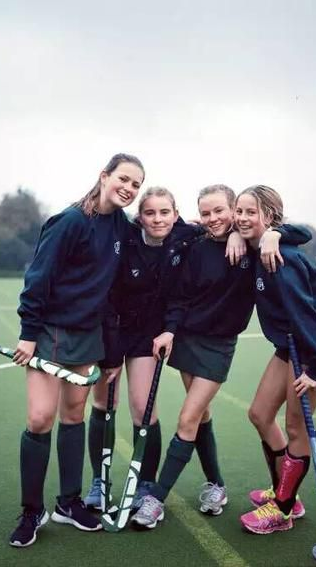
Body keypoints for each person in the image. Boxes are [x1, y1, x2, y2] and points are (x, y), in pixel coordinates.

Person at [131, 184, 312, 530]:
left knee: (187, 418)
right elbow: (180, 297)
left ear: (233, 210)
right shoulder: (195, 244)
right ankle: (218, 485)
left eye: (219, 211)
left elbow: (300, 232)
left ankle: (155, 499)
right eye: (206, 212)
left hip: (218, 346)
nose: (212, 218)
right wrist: (170, 330)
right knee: (201, 414)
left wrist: (273, 234)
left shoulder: (252, 244)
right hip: (187, 340)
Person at [9, 153, 145, 547]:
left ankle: (68, 503)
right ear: (104, 176)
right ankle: (31, 511)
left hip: (89, 334)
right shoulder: (69, 221)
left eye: (136, 185)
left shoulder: (121, 226)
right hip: (50, 332)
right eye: (124, 179)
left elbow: (165, 234)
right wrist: (28, 333)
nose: (129, 189)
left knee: (73, 415)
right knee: (40, 418)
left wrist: (111, 353)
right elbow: (38, 277)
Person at [85, 186, 243, 511]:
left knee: (142, 407)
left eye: (164, 212)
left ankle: (146, 483)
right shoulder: (126, 237)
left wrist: (239, 234)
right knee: (103, 402)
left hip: (148, 335)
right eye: (150, 213)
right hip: (110, 330)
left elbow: (225, 227)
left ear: (176, 214)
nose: (157, 219)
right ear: (139, 217)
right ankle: (99, 481)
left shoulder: (185, 237)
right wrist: (110, 351)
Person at [235, 185, 316, 535]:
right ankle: (285, 491)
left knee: (296, 428)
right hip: (288, 346)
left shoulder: (282, 259)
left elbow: (308, 316)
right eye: (239, 211)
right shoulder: (258, 248)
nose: (242, 218)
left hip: (312, 350)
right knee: (259, 414)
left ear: (269, 216)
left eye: (250, 212)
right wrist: (242, 234)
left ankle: (283, 509)